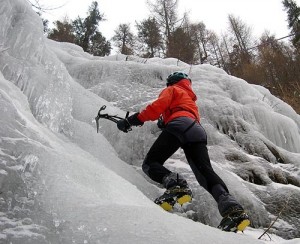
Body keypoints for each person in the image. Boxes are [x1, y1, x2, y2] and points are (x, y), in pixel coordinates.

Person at [116, 71, 250, 232]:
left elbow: (157, 107)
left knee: (150, 163)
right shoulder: (189, 98)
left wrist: (132, 120)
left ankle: (177, 186)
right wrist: (165, 122)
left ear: (172, 82)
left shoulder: (173, 89)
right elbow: (181, 114)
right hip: (197, 130)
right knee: (205, 172)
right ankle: (233, 210)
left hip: (180, 125)